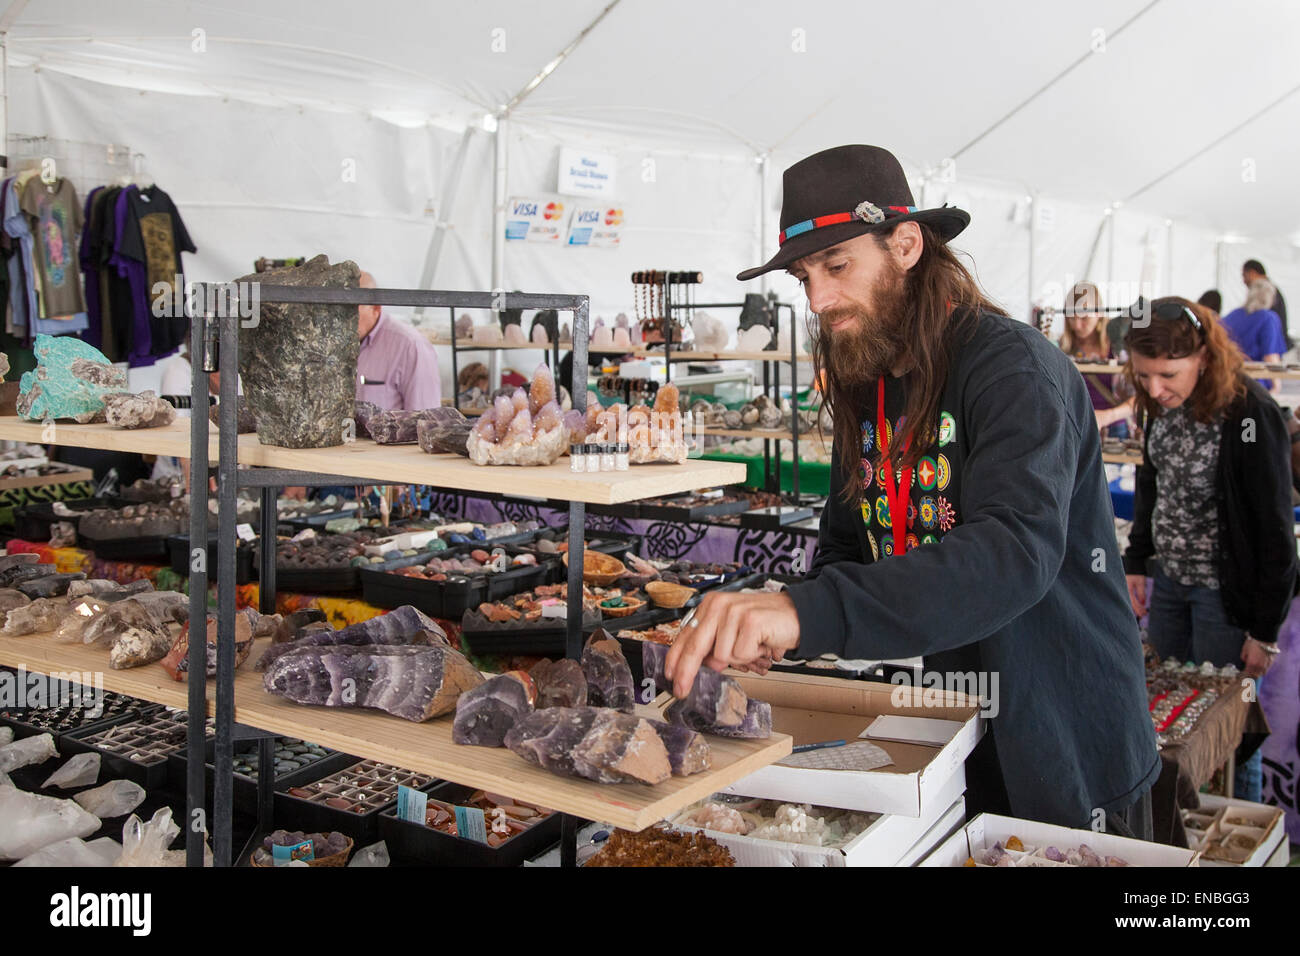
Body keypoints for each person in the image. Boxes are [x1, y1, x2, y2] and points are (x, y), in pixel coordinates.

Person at [665, 144, 1159, 833]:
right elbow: (846, 549)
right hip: (947, 731)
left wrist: (807, 612)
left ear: (905, 244)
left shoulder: (1013, 370)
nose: (819, 299)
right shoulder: (863, 380)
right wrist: (785, 633)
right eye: (805, 277)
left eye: (837, 266)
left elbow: (1014, 552)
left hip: (1066, 739)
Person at [1122, 297, 1295, 801]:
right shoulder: (1158, 406)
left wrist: (1264, 631)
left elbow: (1276, 536)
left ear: (1203, 356)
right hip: (1171, 587)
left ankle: (1235, 834)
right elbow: (1150, 485)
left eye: (1168, 374)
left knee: (1230, 733)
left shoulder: (1251, 414)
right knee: (1172, 725)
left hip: (1227, 599)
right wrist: (1137, 560)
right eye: (1144, 375)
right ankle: (1183, 830)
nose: (1155, 388)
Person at [356, 271, 443, 410]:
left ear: (376, 307)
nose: (342, 322)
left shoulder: (411, 346)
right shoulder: (333, 346)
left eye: (352, 312)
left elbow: (425, 421)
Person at [1057, 281, 1134, 436]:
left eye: (1084, 317)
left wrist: (1108, 416)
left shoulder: (1119, 348)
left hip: (1114, 428)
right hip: (1075, 427)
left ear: (1099, 312)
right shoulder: (1062, 349)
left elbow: (1140, 397)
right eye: (1072, 318)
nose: (1077, 325)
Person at [1220, 276, 1286, 394]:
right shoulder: (1268, 318)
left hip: (1227, 379)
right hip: (1255, 385)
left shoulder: (1232, 316)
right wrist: (1276, 386)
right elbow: (1270, 356)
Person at [1242, 259, 1288, 347]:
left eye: (1244, 276)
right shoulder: (1272, 292)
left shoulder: (1268, 294)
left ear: (1252, 273)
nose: (1243, 281)